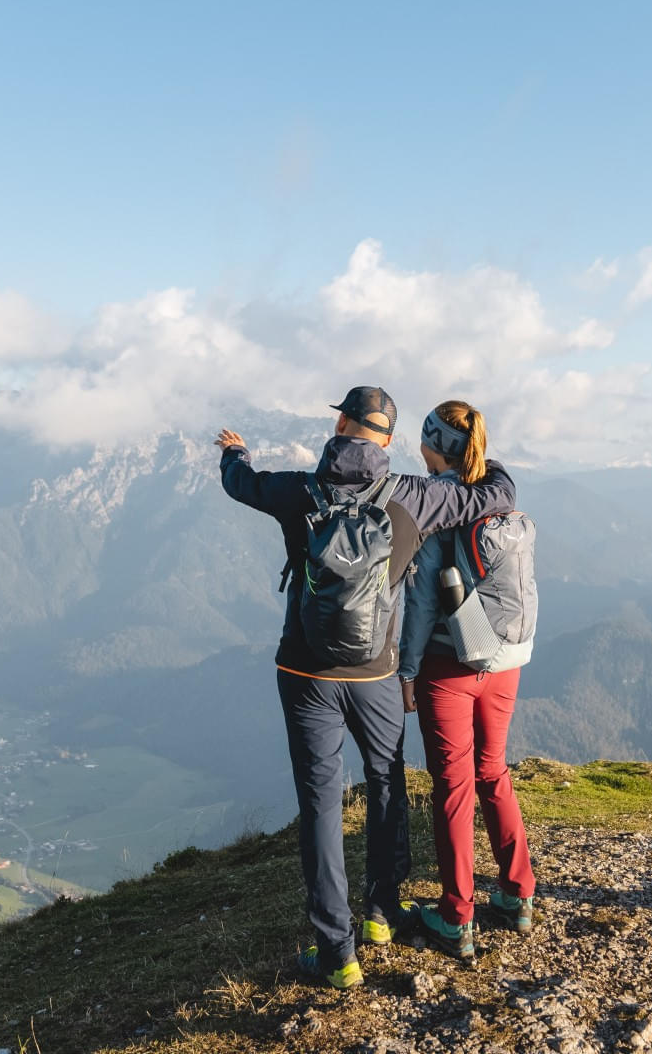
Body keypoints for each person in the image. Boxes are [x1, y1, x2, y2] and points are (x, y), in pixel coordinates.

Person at [214, 386, 517, 990]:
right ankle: (383, 912)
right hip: (377, 673)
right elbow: (498, 493)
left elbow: (239, 484)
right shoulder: (414, 496)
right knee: (385, 782)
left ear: (343, 425)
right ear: (386, 438)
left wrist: (235, 452)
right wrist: (484, 454)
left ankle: (337, 952)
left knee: (322, 806)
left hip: (306, 674)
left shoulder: (298, 490)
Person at [398, 400, 536, 962]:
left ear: (433, 447)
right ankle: (517, 894)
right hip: (505, 661)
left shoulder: (440, 513)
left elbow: (422, 602)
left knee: (453, 788)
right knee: (493, 772)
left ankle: (457, 917)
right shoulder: (497, 491)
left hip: (449, 668)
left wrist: (407, 672)